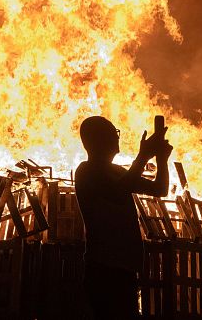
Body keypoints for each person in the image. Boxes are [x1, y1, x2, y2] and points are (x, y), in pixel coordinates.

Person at [74, 116, 173, 320]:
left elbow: (160, 189)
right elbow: (118, 193)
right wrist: (143, 156)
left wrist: (162, 160)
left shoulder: (117, 171)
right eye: (113, 133)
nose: (116, 137)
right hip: (104, 269)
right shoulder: (87, 171)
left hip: (125, 268)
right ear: (98, 140)